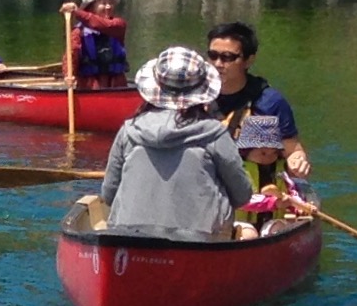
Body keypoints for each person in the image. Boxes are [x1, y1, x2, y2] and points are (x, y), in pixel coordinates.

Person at [93, 47, 254, 241]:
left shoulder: (129, 131)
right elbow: (242, 195)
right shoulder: (215, 134)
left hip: (127, 235)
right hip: (200, 240)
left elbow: (109, 194)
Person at [204, 20, 313, 196]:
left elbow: (293, 150)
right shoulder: (195, 97)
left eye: (228, 57)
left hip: (256, 199)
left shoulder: (269, 102)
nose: (218, 63)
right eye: (213, 55)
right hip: (205, 193)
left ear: (249, 60)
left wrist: (298, 161)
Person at [60, 0, 129, 84]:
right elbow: (71, 55)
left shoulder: (118, 25)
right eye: (104, 3)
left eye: (110, 3)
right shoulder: (78, 32)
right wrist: (68, 75)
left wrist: (77, 11)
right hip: (90, 84)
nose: (108, 7)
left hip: (116, 83)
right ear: (90, 7)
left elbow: (102, 25)